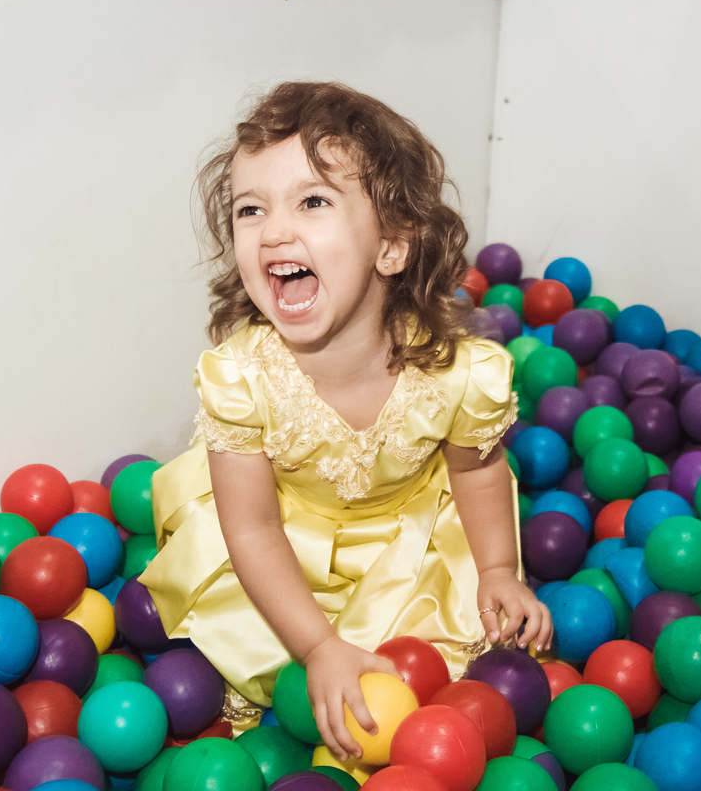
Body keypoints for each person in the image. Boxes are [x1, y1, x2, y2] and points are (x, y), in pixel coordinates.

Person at [138, 81, 551, 762]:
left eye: (313, 201)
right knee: (268, 645)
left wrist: (501, 569)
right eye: (250, 209)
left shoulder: (456, 372)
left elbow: (477, 475)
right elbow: (250, 526)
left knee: (431, 664)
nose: (274, 230)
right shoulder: (241, 379)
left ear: (391, 245)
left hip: (407, 541)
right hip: (279, 538)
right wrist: (320, 648)